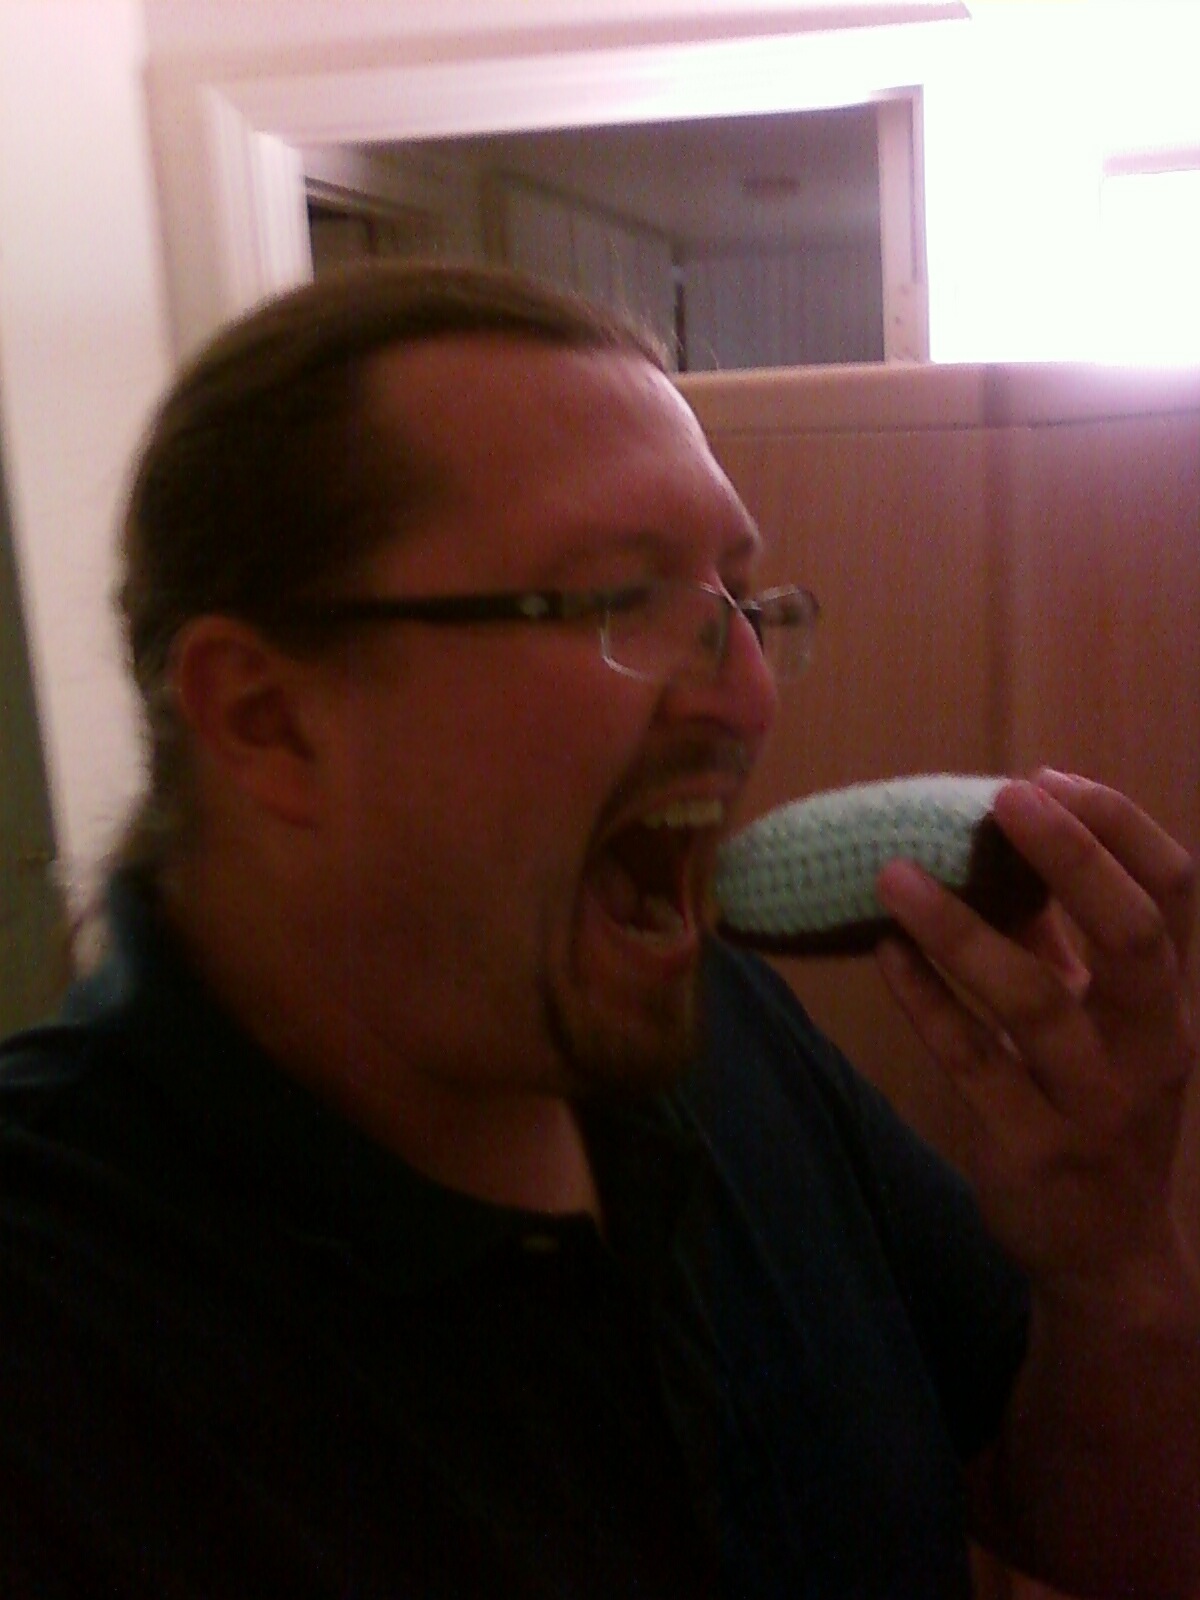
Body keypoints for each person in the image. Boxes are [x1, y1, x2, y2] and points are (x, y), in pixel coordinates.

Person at [0, 261, 1196, 1600]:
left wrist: (1113, 1263)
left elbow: (1109, 1536)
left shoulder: (721, 1027)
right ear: (268, 720)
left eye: (739, 604)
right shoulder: (56, 1328)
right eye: (618, 599)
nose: (748, 694)